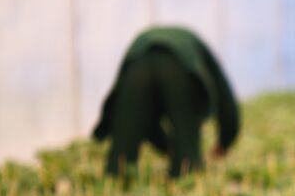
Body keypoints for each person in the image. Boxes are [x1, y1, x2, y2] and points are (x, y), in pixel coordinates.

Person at [93, 26, 239, 178]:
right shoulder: (195, 44)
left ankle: (117, 177)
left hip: (137, 68)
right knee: (187, 158)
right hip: (178, 67)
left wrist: (167, 146)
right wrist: (224, 142)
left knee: (120, 159)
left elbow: (146, 122)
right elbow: (225, 96)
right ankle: (184, 179)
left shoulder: (181, 40)